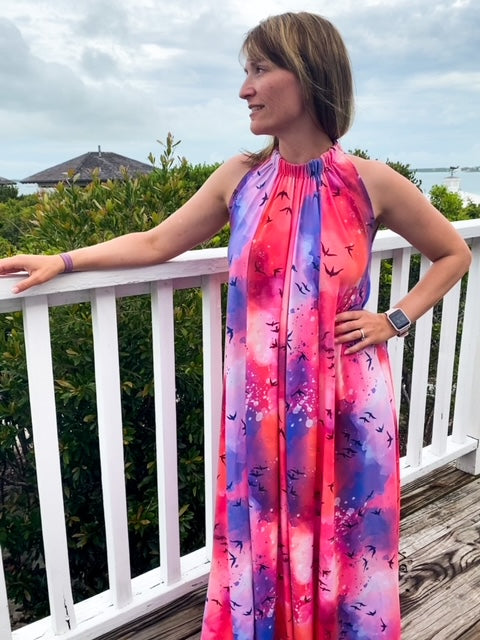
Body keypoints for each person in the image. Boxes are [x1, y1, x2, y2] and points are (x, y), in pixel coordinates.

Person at [0, 12, 471, 640]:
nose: (243, 88)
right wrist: (61, 259)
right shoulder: (240, 178)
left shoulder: (369, 182)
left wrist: (395, 318)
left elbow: (454, 253)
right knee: (262, 536)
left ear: (306, 75)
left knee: (344, 541)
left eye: (258, 70)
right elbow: (157, 241)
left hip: (345, 402)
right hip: (259, 411)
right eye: (244, 72)